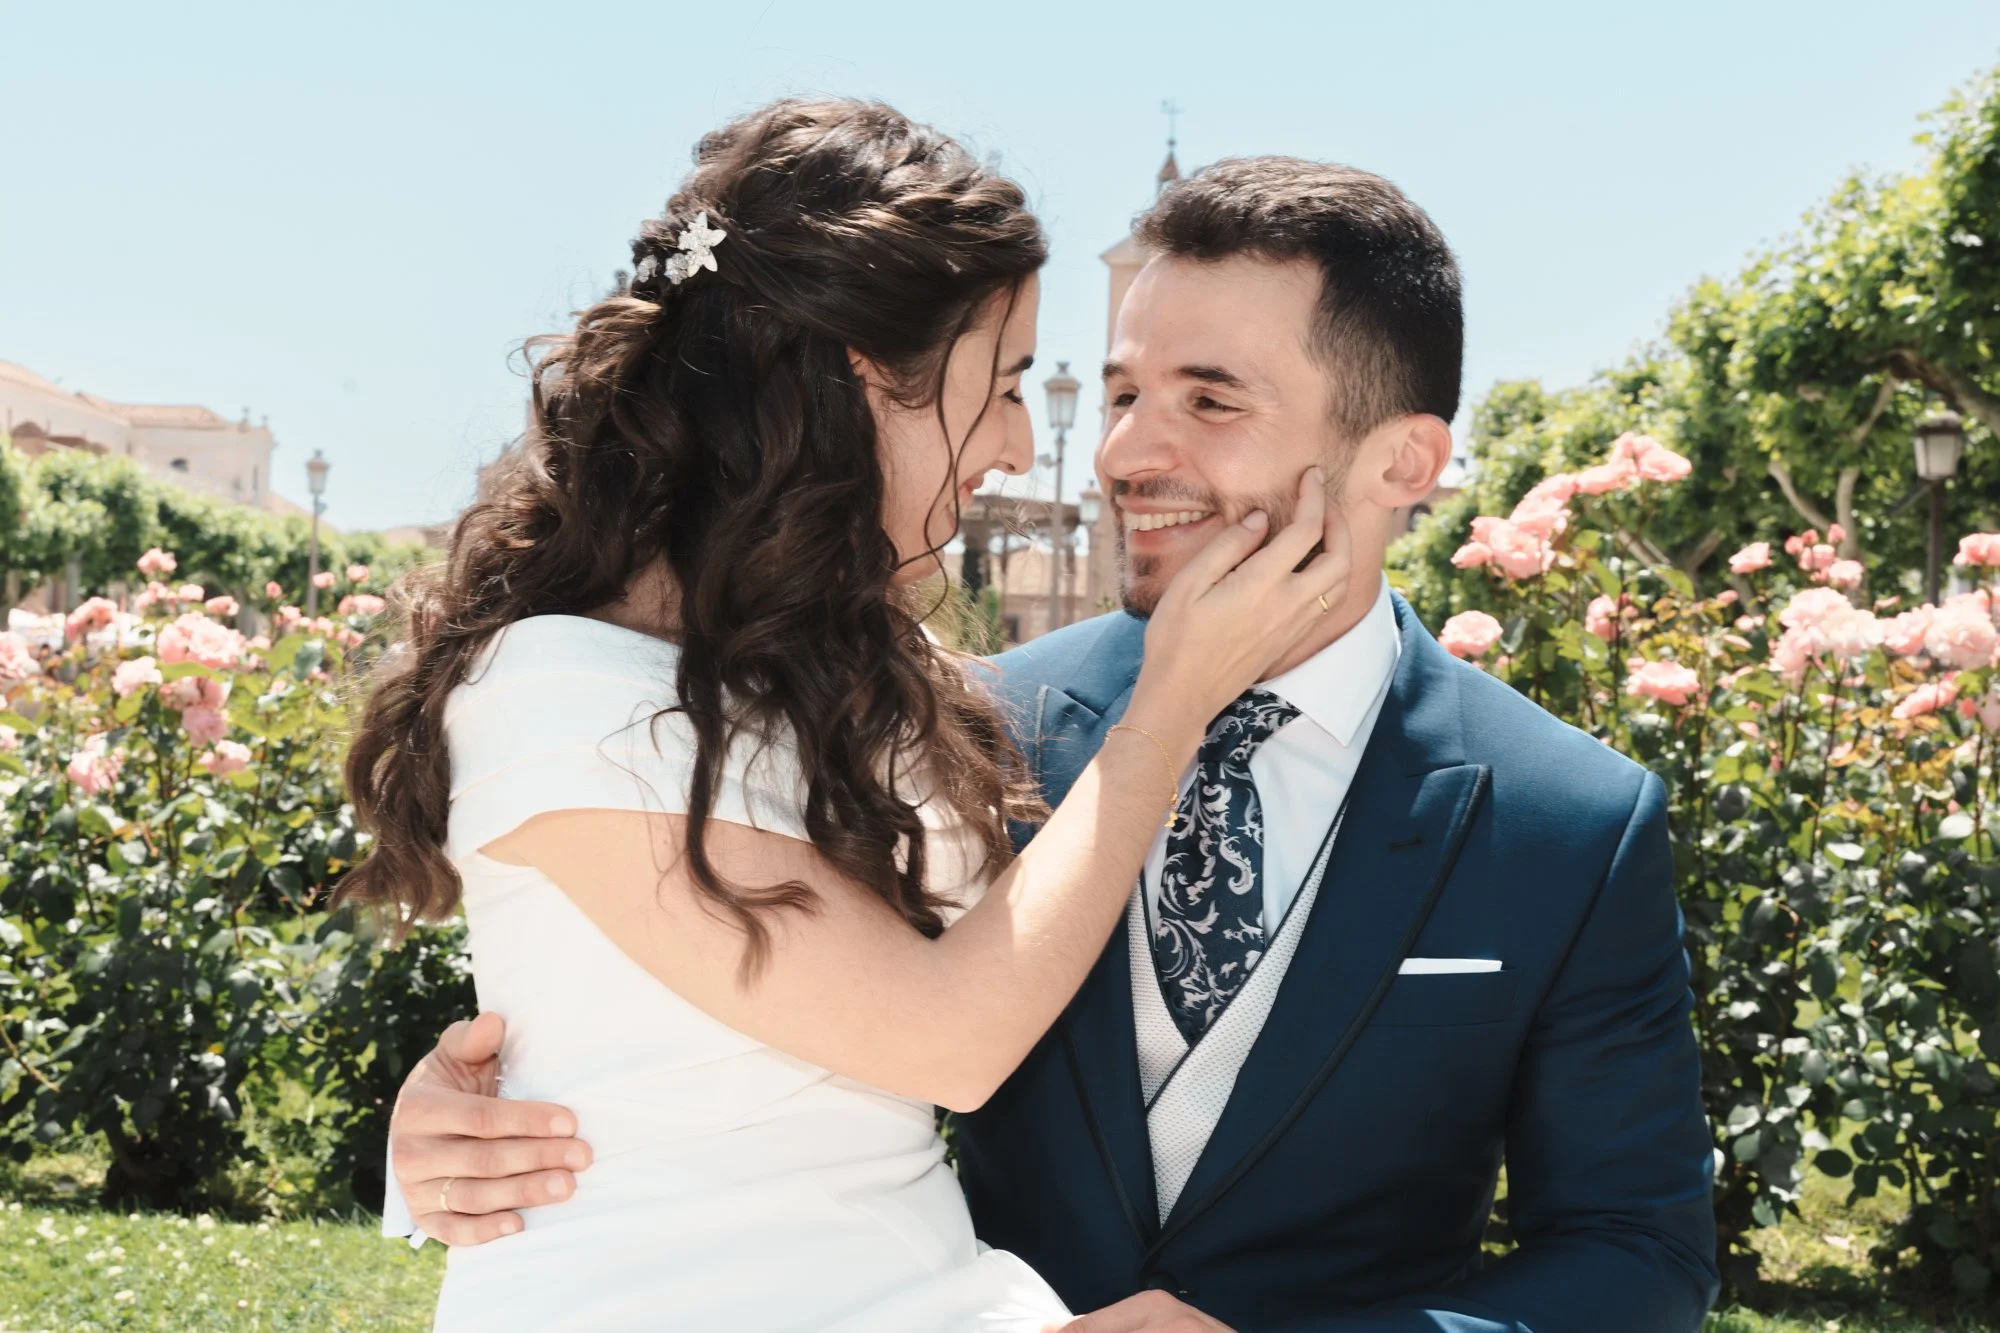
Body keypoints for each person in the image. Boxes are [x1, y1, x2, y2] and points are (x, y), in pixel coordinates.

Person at [383, 154, 1722, 1333]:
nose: (1117, 453)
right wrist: (453, 1112)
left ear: (1402, 463)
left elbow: (1634, 1256)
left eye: (1210, 401)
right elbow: (712, 999)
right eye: (1122, 389)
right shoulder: (972, 719)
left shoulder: (1572, 821)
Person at [342, 99, 1349, 1332]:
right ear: (867, 376)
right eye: (1009, 383)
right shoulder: (556, 690)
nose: (1032, 443)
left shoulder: (870, 663)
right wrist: (1172, 704)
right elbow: (947, 1040)